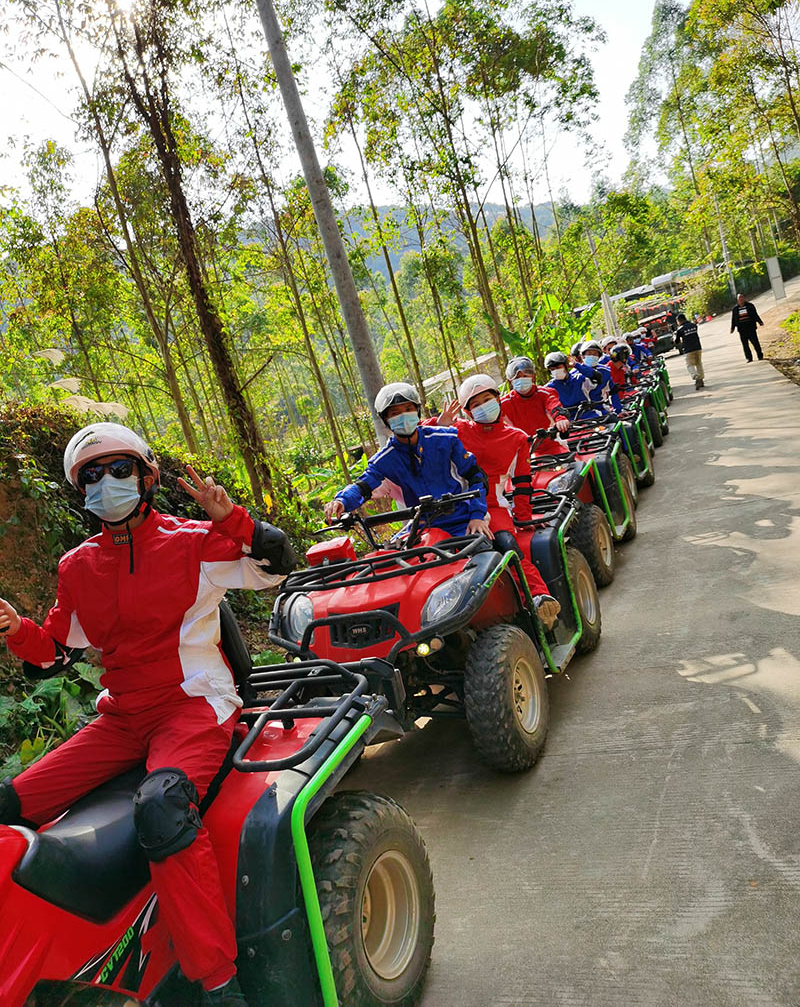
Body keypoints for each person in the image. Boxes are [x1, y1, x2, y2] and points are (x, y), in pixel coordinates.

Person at [0, 424, 297, 1006]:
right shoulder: (77, 566)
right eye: (92, 475)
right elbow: (56, 648)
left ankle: (219, 982)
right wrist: (15, 629)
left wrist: (232, 520)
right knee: (7, 805)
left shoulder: (193, 543)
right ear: (80, 491)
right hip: (122, 717)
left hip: (192, 705)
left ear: (147, 478)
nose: (107, 483)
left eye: (120, 470)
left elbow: (274, 566)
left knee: (162, 808)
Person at [431, 375, 560, 625]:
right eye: (476, 404)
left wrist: (524, 518)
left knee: (507, 544)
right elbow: (417, 435)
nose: (483, 407)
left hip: (493, 506)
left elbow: (522, 483)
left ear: (498, 399)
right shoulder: (456, 430)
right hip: (456, 506)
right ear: (468, 411)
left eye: (487, 400)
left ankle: (537, 597)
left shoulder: (518, 438)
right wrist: (439, 423)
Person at [323, 382, 490, 538]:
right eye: (395, 413)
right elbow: (363, 486)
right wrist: (341, 500)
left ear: (417, 411)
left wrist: (477, 516)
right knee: (387, 556)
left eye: (408, 409)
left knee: (487, 555)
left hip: (463, 520)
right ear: (385, 420)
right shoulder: (385, 458)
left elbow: (476, 477)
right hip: (422, 529)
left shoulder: (445, 439)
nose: (403, 416)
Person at [500, 355, 571, 456]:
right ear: (510, 381)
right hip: (522, 452)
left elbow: (554, 405)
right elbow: (493, 423)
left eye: (525, 376)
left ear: (534, 376)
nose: (521, 379)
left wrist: (560, 419)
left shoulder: (545, 393)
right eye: (517, 378)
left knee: (572, 462)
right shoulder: (504, 403)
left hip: (551, 445)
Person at [543, 350, 603, 420]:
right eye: (552, 369)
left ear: (566, 366)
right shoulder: (549, 388)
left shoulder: (579, 379)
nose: (556, 371)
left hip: (589, 416)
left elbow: (597, 377)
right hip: (566, 422)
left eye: (559, 367)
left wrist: (576, 365)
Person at [581, 339, 620, 412]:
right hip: (582, 413)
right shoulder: (575, 374)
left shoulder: (605, 371)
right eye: (589, 353)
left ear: (599, 356)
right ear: (583, 356)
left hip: (603, 410)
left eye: (595, 354)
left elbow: (613, 391)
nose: (592, 356)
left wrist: (618, 410)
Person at [673, 312, 705, 390]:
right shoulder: (693, 325)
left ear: (679, 321)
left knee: (689, 365)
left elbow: (676, 341)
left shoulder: (680, 329)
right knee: (698, 363)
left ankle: (696, 377)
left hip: (688, 349)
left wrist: (675, 335)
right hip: (698, 347)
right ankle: (701, 379)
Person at [730, 292, 764, 362]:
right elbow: (734, 319)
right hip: (742, 329)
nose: (741, 299)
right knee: (745, 344)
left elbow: (755, 315)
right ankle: (749, 358)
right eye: (739, 298)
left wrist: (760, 321)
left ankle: (760, 355)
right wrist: (732, 328)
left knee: (755, 342)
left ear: (744, 298)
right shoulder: (735, 309)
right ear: (737, 300)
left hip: (751, 327)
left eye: (742, 297)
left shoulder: (750, 306)